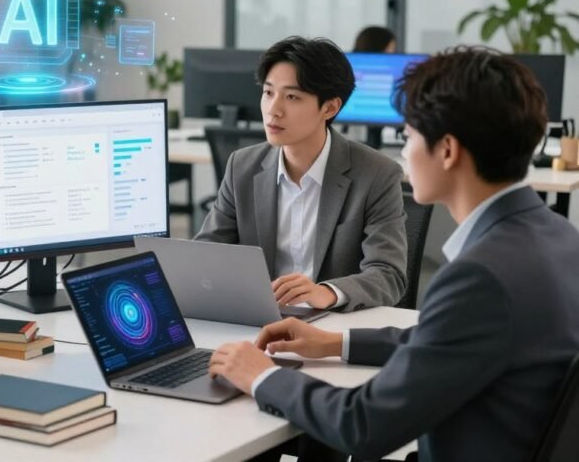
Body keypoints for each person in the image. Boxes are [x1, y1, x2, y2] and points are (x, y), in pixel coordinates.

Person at [209, 47, 579, 462]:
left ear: (448, 150)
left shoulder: (480, 277)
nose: (403, 153)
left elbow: (362, 425)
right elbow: (442, 339)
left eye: (409, 136)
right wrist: (335, 342)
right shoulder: (560, 237)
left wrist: (264, 377)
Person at [195, 36, 407, 312]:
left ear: (330, 107)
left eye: (292, 97)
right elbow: (206, 255)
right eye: (269, 93)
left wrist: (327, 293)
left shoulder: (377, 174)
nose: (273, 110)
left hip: (331, 327)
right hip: (258, 321)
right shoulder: (242, 166)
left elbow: (388, 274)